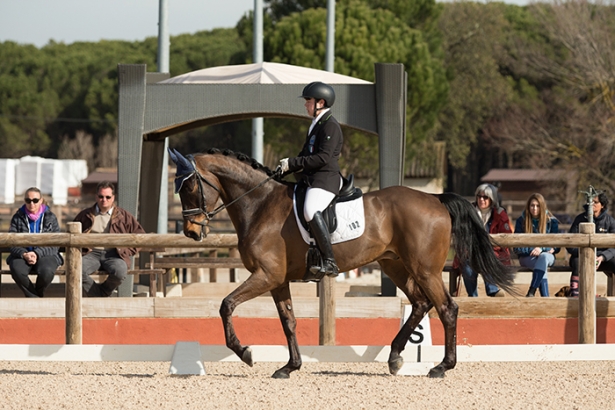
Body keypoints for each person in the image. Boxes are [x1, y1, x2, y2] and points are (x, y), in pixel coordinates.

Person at [278, 81, 343, 280]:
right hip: (312, 180)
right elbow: (305, 154)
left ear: (320, 103)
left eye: (308, 101)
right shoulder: (316, 125)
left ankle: (330, 260)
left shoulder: (330, 126)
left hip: (326, 180)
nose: (305, 104)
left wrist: (294, 162)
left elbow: (322, 158)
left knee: (310, 210)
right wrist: (285, 169)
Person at [73, 181, 145, 297]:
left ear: (113, 198)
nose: (104, 200)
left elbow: (141, 236)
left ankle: (103, 292)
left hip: (115, 254)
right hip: (91, 253)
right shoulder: (85, 215)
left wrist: (126, 250)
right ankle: (100, 295)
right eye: (101, 196)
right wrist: (83, 248)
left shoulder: (123, 216)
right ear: (96, 197)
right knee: (76, 269)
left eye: (108, 197)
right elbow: (72, 235)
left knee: (120, 272)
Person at [6, 187, 63, 297]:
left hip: (46, 254)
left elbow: (55, 242)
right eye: (28, 200)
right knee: (17, 270)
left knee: (47, 271)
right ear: (25, 201)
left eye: (35, 200)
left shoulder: (50, 217)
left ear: (41, 200)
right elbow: (11, 241)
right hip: (23, 254)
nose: (31, 203)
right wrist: (24, 254)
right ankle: (35, 298)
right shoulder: (17, 217)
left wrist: (37, 253)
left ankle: (38, 293)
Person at [456, 183, 511, 297]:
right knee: (467, 268)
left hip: (493, 253)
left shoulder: (500, 213)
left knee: (487, 258)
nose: (481, 199)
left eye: (485, 197)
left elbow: (507, 235)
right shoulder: (468, 212)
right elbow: (462, 233)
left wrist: (490, 247)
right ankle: (473, 296)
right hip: (470, 253)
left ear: (492, 199)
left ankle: (492, 291)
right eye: (479, 196)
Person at [566, 192, 615, 297]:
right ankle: (575, 293)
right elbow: (570, 243)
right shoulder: (580, 219)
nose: (591, 204)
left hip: (602, 259)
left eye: (595, 202)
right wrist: (585, 253)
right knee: (576, 260)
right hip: (582, 256)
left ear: (602, 205)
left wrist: (602, 257)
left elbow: (613, 246)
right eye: (590, 201)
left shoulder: (610, 221)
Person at [514, 193, 560, 297]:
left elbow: (557, 245)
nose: (535, 208)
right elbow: (516, 246)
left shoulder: (552, 222)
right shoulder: (521, 221)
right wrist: (533, 249)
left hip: (548, 257)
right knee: (541, 264)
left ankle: (532, 291)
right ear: (528, 206)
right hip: (527, 257)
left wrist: (542, 249)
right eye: (532, 205)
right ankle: (545, 298)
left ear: (542, 206)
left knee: (543, 258)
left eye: (538, 206)